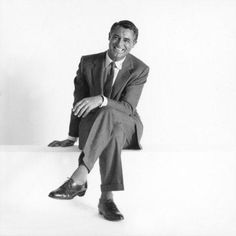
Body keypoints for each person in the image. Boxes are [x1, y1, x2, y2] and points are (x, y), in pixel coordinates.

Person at [48, 20, 149, 221]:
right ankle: (106, 200)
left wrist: (101, 99)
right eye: (116, 37)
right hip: (98, 128)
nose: (120, 43)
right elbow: (78, 101)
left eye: (127, 40)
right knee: (112, 130)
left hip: (128, 124)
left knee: (109, 114)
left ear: (134, 43)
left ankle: (80, 176)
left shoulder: (139, 69)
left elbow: (129, 108)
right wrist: (71, 136)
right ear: (109, 36)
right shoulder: (88, 63)